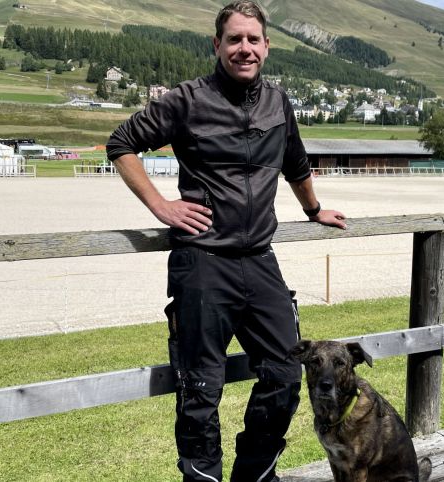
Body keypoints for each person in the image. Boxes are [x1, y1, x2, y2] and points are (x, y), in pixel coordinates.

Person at [106, 2, 346, 480]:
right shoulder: (187, 100)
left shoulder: (279, 103)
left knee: (284, 374)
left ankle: (254, 473)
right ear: (217, 45)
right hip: (203, 263)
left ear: (267, 47)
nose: (244, 49)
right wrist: (161, 205)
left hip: (260, 261)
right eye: (234, 39)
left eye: (253, 40)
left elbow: (295, 164)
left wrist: (314, 209)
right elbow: (121, 144)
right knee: (200, 388)